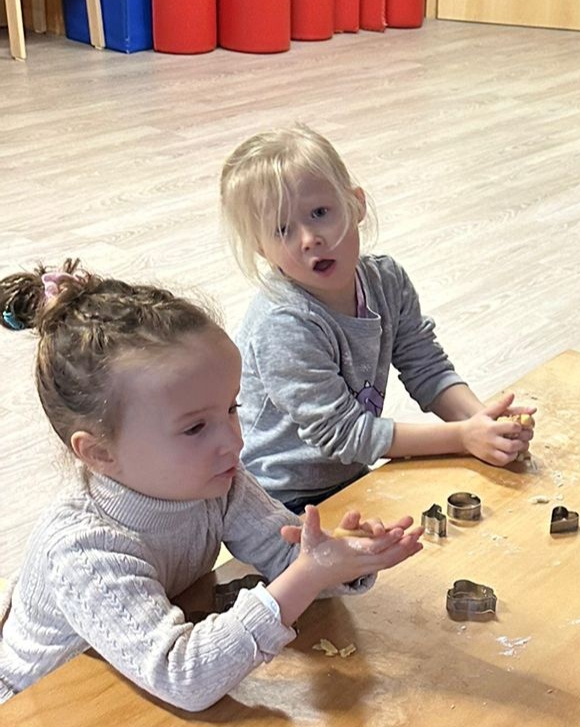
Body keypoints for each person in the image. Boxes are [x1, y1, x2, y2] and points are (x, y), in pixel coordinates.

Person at [0, 263, 423, 709]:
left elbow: (288, 559)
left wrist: (341, 562)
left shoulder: (219, 482)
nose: (233, 441)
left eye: (231, 408)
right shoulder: (83, 550)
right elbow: (184, 676)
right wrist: (308, 572)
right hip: (40, 703)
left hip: (130, 681)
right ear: (100, 453)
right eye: (195, 428)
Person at [220, 126, 536, 511]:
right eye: (283, 229)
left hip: (350, 473)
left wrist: (484, 422)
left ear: (355, 205)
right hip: (279, 498)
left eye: (320, 213)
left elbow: (427, 368)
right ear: (262, 249)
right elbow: (343, 433)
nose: (309, 239)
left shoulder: (387, 282)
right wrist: (462, 437)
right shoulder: (283, 323)